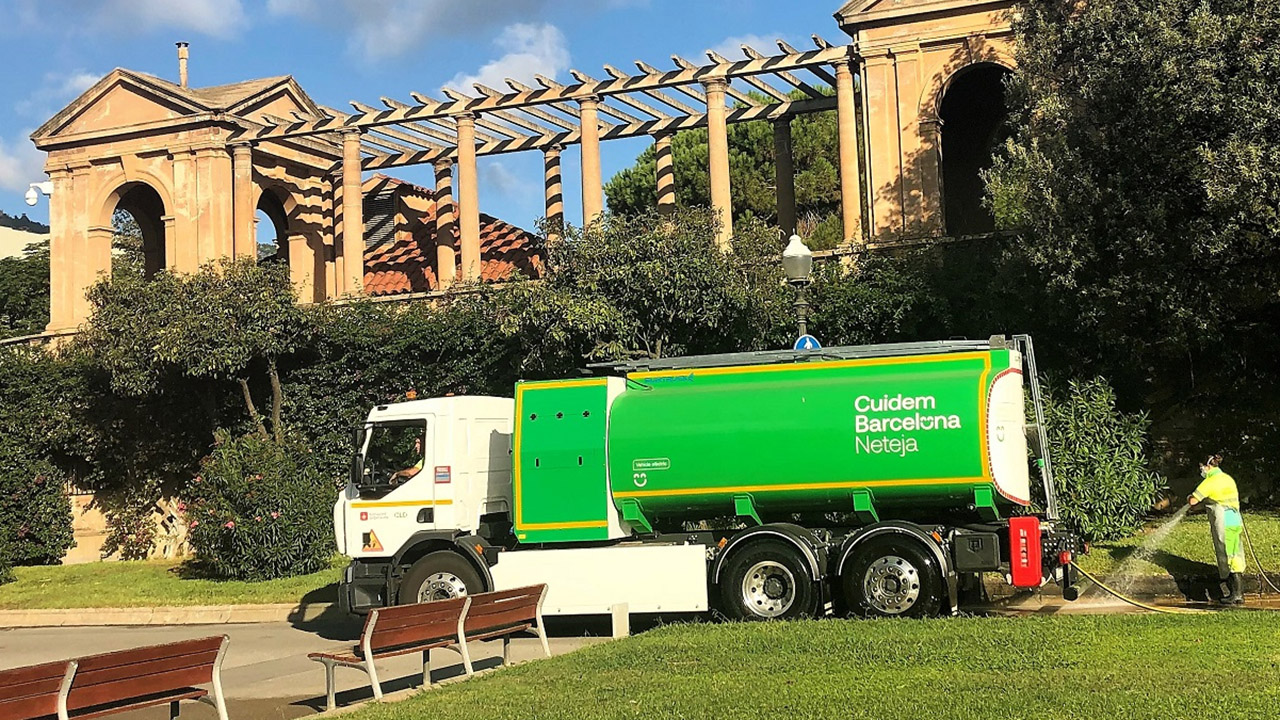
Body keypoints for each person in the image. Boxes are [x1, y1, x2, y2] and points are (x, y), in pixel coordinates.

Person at [1187, 454, 1245, 604]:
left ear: (1208, 466)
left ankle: (1236, 594)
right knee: (1235, 554)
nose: (1201, 470)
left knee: (1228, 555)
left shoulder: (1210, 482)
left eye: (1202, 467)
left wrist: (1188, 499)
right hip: (1235, 521)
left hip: (1224, 522)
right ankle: (1237, 593)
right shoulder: (1227, 478)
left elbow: (1193, 500)